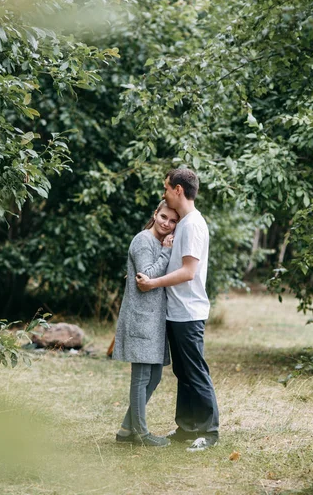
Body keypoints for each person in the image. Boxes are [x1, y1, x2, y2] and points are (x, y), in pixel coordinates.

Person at [136, 168, 219, 452]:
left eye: (166, 188)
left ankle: (209, 431)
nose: (164, 193)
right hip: (176, 311)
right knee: (183, 373)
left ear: (178, 190)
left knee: (195, 373)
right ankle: (186, 428)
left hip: (189, 312)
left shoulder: (194, 224)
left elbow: (188, 272)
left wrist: (153, 283)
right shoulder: (183, 223)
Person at [113, 200, 179, 447]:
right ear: (155, 214)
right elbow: (146, 276)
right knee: (141, 378)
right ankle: (140, 433)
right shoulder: (143, 240)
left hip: (154, 320)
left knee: (154, 377)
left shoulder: (159, 242)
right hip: (141, 318)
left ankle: (125, 430)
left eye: (173, 221)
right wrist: (167, 252)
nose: (167, 224)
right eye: (163, 217)